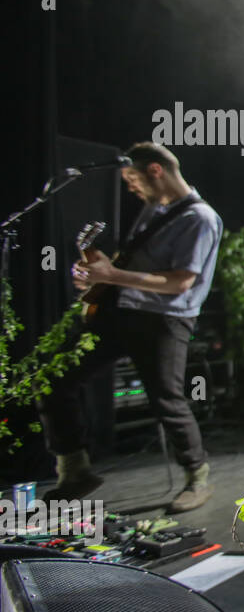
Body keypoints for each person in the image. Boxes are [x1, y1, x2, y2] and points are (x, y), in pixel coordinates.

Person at [39, 142, 224, 512]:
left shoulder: (200, 218)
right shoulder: (154, 209)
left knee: (167, 400)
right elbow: (132, 265)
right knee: (54, 378)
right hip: (123, 310)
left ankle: (197, 477)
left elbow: (179, 282)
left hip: (164, 320)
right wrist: (98, 277)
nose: (130, 188)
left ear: (155, 170)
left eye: (132, 179)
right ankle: (74, 469)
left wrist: (113, 274)